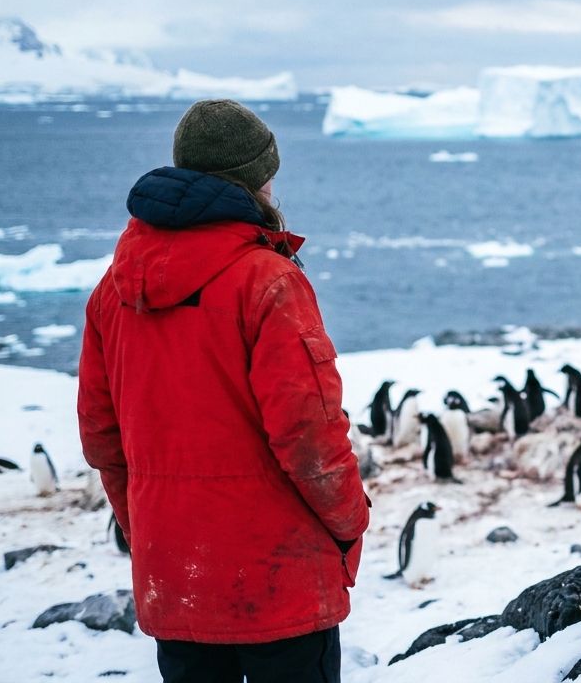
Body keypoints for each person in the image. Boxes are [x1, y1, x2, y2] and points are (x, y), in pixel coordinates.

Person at [78, 99, 370, 681]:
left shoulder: (114, 289)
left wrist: (146, 530)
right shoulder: (268, 281)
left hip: (176, 576)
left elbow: (101, 437)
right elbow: (308, 435)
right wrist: (349, 523)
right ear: (256, 179)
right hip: (278, 581)